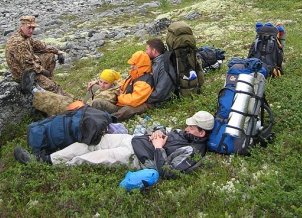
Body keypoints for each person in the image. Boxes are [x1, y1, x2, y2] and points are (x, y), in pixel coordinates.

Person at [13, 110, 214, 179]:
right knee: (89, 144)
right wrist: (159, 133)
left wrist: (159, 147)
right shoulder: (184, 134)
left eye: (191, 127)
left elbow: (170, 172)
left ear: (201, 132)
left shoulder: (193, 152)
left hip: (136, 158)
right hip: (130, 140)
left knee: (89, 158)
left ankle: (53, 166)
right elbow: (166, 133)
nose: (186, 129)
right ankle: (45, 159)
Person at [5, 15, 69, 96]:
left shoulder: (24, 37)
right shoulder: (18, 42)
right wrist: (44, 71)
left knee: (49, 56)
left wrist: (57, 51)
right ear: (22, 26)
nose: (31, 31)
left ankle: (47, 81)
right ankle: (47, 87)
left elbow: (39, 46)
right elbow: (29, 66)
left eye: (33, 28)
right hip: (25, 76)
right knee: (55, 89)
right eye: (29, 28)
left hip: (31, 69)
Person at [32, 69, 121, 116]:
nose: (102, 85)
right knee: (67, 99)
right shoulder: (113, 85)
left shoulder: (107, 95)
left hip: (85, 111)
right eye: (101, 81)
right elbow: (103, 83)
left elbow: (95, 103)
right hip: (86, 106)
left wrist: (81, 106)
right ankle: (39, 90)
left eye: (105, 83)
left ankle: (35, 92)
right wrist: (96, 82)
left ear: (111, 83)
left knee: (60, 102)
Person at [112, 50, 154, 121]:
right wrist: (116, 88)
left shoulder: (145, 81)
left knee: (126, 110)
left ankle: (106, 119)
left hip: (127, 103)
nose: (131, 66)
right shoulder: (135, 74)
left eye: (134, 64)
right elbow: (123, 83)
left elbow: (134, 100)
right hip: (123, 101)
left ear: (141, 65)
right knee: (98, 97)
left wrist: (120, 96)